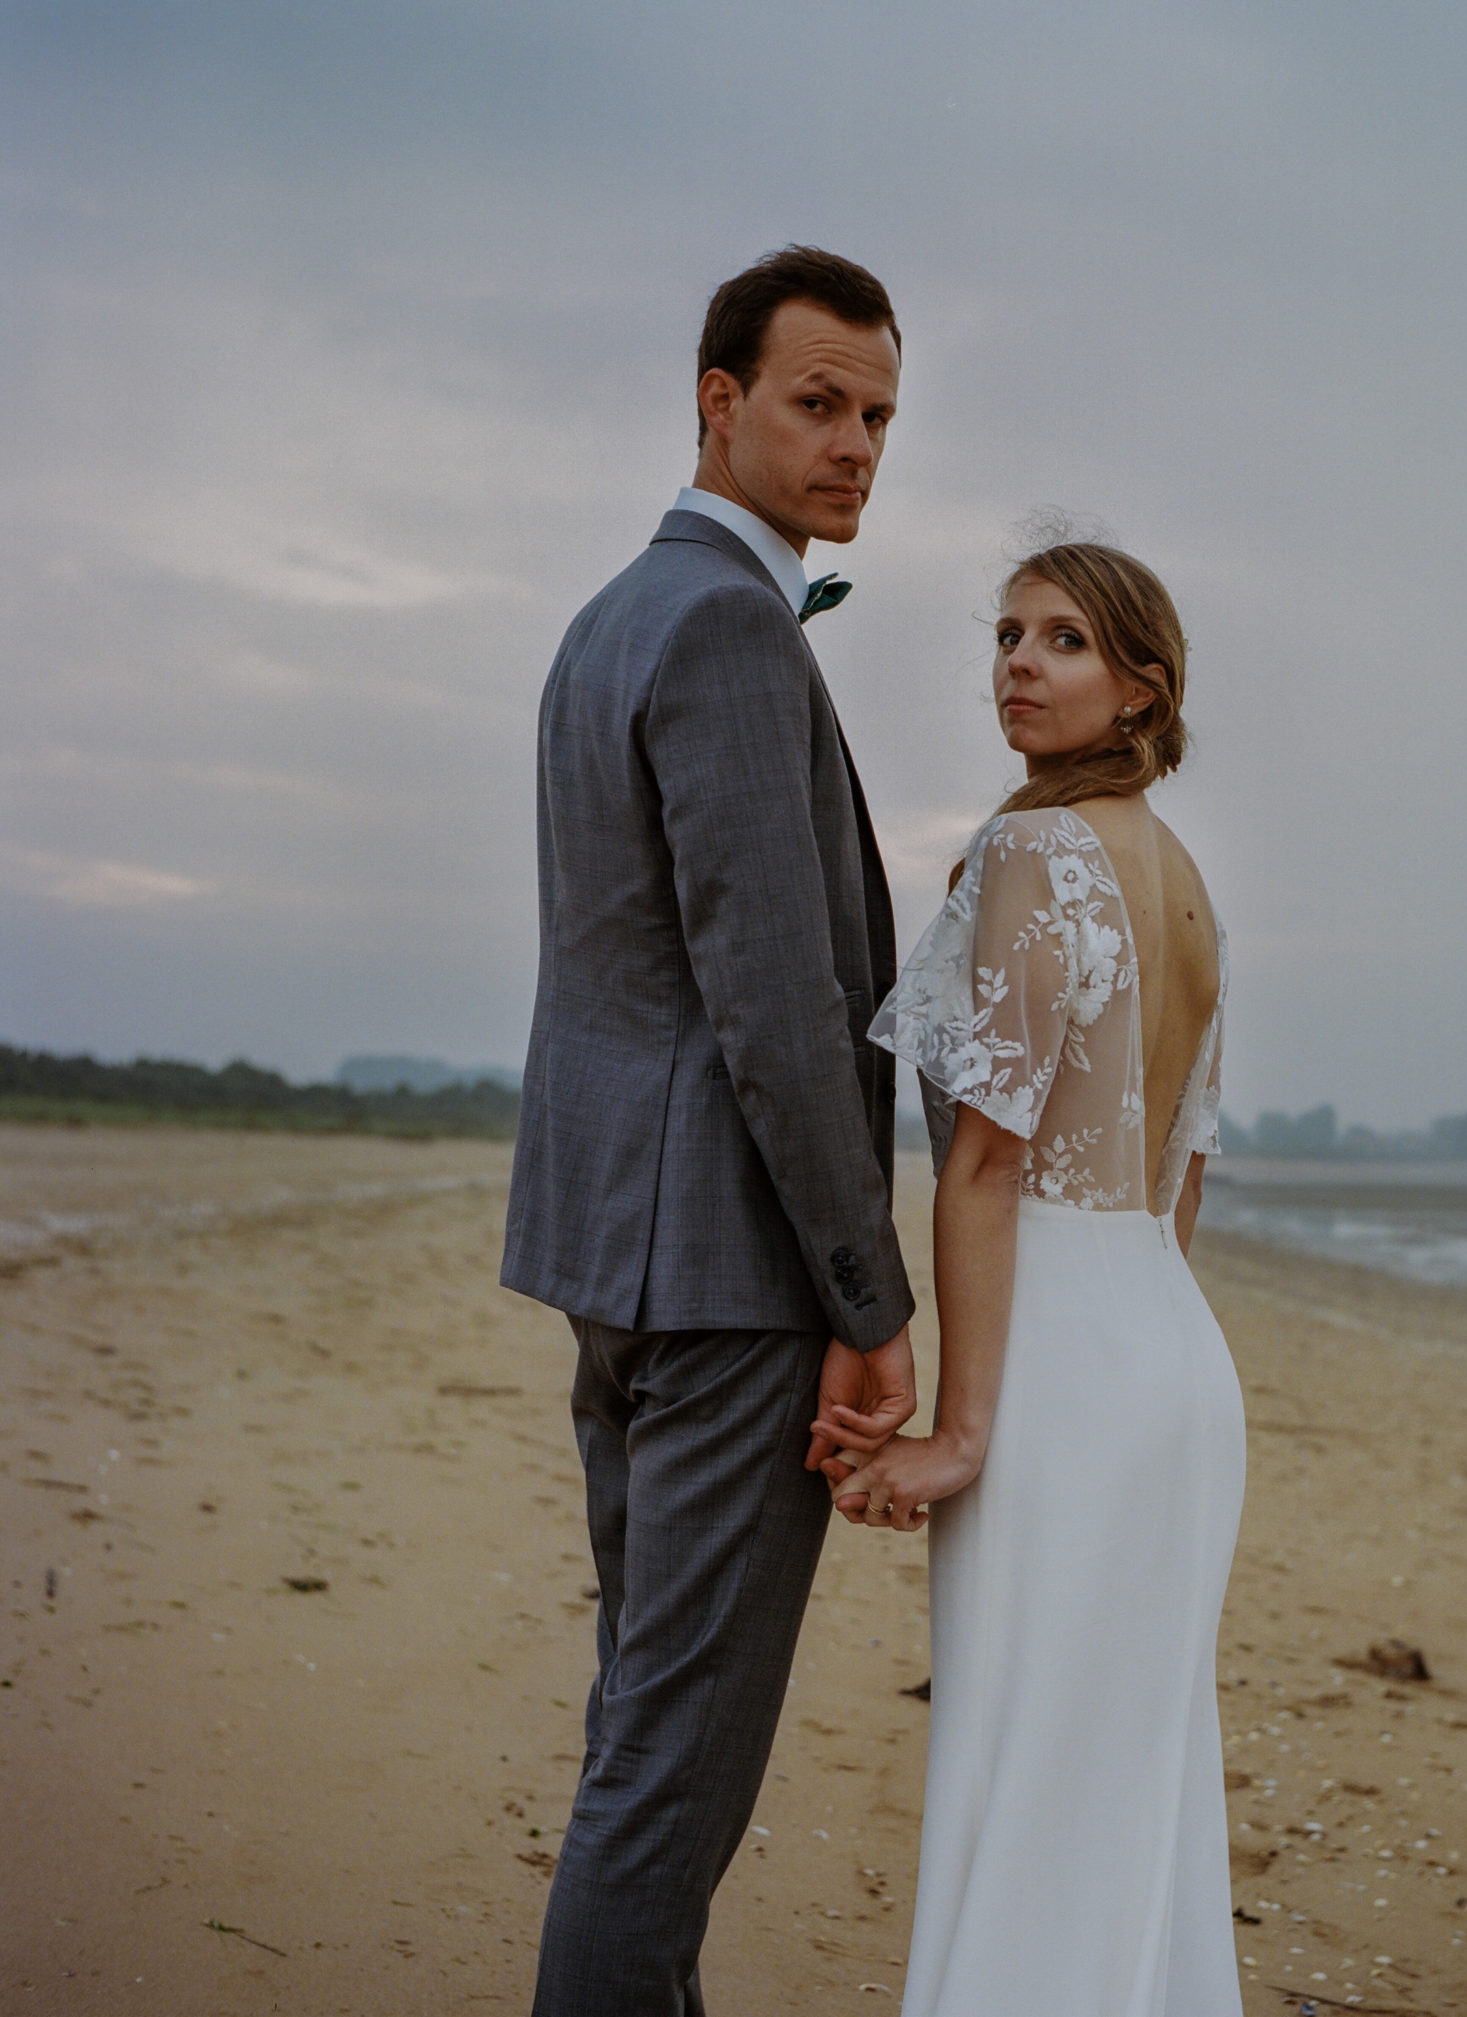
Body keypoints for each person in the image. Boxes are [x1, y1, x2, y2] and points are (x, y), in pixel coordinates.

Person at [500, 245, 920, 2017]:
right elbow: (776, 1007)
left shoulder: (610, 615)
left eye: (882, 415)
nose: (855, 446)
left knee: (639, 1732)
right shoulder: (732, 626)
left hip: (614, 1255)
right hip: (732, 1283)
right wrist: (871, 1298)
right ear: (718, 402)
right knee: (666, 1783)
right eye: (819, 403)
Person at [834, 539, 1247, 2015]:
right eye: (1008, 633)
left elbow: (987, 1165)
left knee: (1024, 1775)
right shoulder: (1189, 886)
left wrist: (960, 1424)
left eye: (1065, 640)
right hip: (1176, 1365)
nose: (1017, 660)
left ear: (1143, 687)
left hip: (1064, 1366)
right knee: (1136, 1787)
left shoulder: (1029, 854)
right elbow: (1180, 1177)